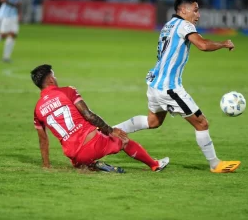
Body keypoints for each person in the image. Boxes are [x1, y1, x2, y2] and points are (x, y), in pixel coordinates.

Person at [114, 0, 240, 173]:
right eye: (195, 10)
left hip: (155, 83)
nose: (198, 15)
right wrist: (223, 43)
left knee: (153, 121)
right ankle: (215, 164)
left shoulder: (168, 25)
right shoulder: (184, 25)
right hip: (169, 88)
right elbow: (202, 45)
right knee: (202, 123)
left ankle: (112, 130)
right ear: (183, 10)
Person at [31, 64, 169, 173]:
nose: (55, 78)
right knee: (123, 140)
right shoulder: (67, 91)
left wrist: (46, 166)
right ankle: (154, 165)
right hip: (91, 144)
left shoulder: (37, 109)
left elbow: (43, 140)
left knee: (81, 155)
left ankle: (89, 165)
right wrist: (110, 130)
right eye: (54, 76)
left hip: (74, 155)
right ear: (50, 79)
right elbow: (88, 115)